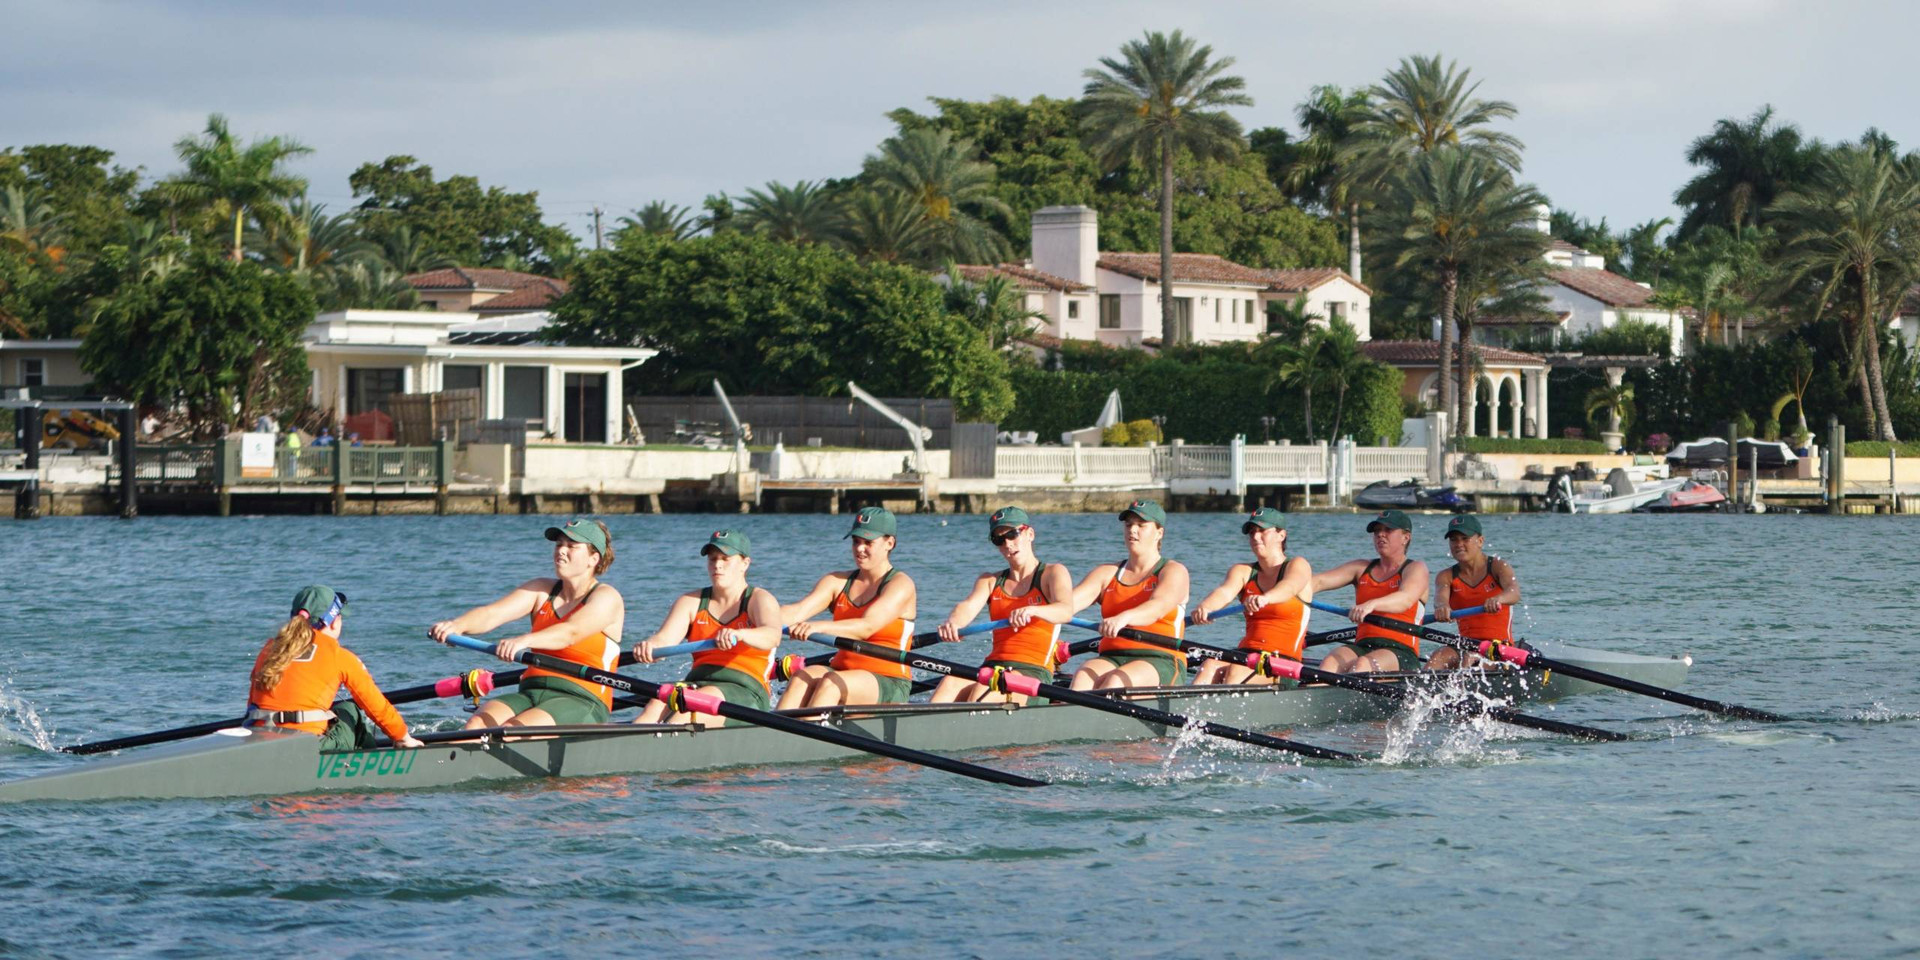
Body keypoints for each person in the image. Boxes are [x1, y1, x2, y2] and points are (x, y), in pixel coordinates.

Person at [428, 519, 626, 729]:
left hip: (583, 699)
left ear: (593, 558)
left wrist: (523, 640)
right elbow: (491, 614)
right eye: (559, 544)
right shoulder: (541, 590)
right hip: (531, 690)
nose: (561, 551)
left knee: (512, 731)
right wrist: (457, 625)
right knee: (476, 725)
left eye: (571, 546)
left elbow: (571, 632)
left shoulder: (607, 597)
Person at [631, 530, 782, 726]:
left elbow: (772, 636)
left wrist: (741, 634)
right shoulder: (690, 602)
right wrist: (649, 646)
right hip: (698, 682)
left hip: (746, 689)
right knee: (654, 706)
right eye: (712, 559)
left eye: (725, 559)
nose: (717, 565)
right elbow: (665, 640)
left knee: (688, 711)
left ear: (745, 564)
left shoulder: (759, 599)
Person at [776, 507, 919, 709]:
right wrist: (752, 619)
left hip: (889, 680)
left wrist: (817, 627)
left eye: (868, 542)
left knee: (831, 684)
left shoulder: (900, 585)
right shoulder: (837, 581)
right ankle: (774, 736)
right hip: (842, 671)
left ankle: (809, 734)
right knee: (801, 677)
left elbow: (866, 627)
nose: (860, 549)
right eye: (856, 541)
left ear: (889, 543)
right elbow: (796, 612)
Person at [247, 585, 422, 750]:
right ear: (334, 622)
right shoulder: (340, 657)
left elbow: (252, 705)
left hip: (261, 740)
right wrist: (404, 738)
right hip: (308, 746)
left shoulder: (269, 649)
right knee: (350, 710)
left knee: (331, 711)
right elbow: (376, 705)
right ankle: (372, 766)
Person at [930, 507, 1075, 705]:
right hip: (993, 667)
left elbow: (1066, 610)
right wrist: (953, 624)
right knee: (950, 681)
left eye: (1012, 534)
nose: (1007, 543)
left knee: (984, 689)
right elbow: (967, 606)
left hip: (1033, 672)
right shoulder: (990, 580)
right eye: (999, 539)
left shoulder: (1052, 573)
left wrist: (1033, 610)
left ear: (1030, 534)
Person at [1068, 500, 1191, 692]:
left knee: (1116, 683)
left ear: (1159, 533)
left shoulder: (1173, 571)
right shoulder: (1107, 572)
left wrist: (1123, 618)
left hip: (1161, 658)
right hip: (1112, 655)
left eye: (1141, 525)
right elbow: (1067, 606)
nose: (1132, 530)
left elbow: (1157, 607)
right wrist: (1034, 611)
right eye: (1128, 525)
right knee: (1082, 678)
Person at [1190, 507, 1314, 686]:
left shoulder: (1298, 565)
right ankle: (1186, 711)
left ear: (1281, 535)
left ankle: (1220, 709)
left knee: (1236, 671)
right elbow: (1224, 592)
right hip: (1246, 654)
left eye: (1262, 531)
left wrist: (1266, 598)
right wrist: (1206, 607)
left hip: (1284, 663)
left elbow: (1290, 586)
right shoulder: (1243, 571)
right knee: (1209, 665)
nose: (1255, 537)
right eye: (1252, 532)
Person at [1311, 509, 1430, 675]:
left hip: (1401, 652)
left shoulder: (1416, 568)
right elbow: (1317, 582)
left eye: (1388, 530)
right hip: (1363, 645)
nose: (1381, 535)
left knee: (1362, 666)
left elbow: (1405, 599)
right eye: (1377, 531)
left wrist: (1371, 604)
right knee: (1329, 663)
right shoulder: (1360, 568)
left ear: (1406, 537)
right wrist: (1282, 590)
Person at [1427, 514, 1521, 670]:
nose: (1459, 544)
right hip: (1464, 644)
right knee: (1438, 657)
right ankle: (1418, 691)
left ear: (1480, 541)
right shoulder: (1446, 576)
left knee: (1471, 658)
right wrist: (1441, 608)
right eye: (1454, 540)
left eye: (1465, 538)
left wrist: (1498, 599)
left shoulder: (1498, 566)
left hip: (1498, 646)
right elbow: (1440, 598)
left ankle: (1461, 688)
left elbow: (1514, 592)